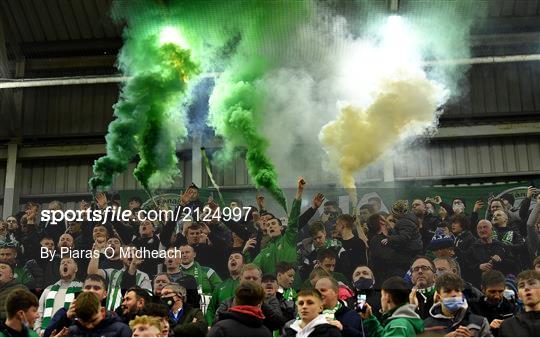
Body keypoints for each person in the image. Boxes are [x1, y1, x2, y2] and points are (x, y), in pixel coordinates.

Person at [252, 177, 304, 274]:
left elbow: (293, 219)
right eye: (268, 225)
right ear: (266, 231)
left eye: (273, 223)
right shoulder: (264, 251)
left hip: (293, 288)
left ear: (281, 227)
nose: (270, 226)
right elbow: (252, 269)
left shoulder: (288, 239)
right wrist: (244, 252)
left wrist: (299, 191)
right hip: (272, 288)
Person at [215, 264, 286, 331]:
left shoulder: (271, 300)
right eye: (247, 278)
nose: (251, 281)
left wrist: (261, 303)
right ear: (240, 279)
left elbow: (278, 323)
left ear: (260, 281)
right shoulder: (228, 302)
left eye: (254, 278)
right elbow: (216, 323)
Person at [423, 273, 492, 337]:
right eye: (448, 291)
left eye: (457, 290)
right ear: (438, 297)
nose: (454, 294)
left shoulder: (480, 322)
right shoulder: (426, 326)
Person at [43, 274, 109, 337]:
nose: (91, 291)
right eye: (88, 287)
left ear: (105, 294)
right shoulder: (64, 312)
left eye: (96, 288)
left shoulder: (110, 317)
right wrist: (66, 317)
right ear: (82, 291)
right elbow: (47, 335)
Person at [360, 276, 424, 337]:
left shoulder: (397, 326)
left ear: (387, 297)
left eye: (382, 295)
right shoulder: (405, 320)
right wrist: (370, 319)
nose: (381, 299)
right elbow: (385, 335)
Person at [34, 258, 83, 335]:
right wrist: (38, 331)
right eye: (62, 263)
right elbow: (38, 313)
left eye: (69, 262)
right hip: (46, 334)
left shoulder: (82, 288)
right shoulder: (48, 289)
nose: (65, 264)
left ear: (76, 268)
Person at [381, 200, 422, 275]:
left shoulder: (404, 222)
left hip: (407, 256)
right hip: (411, 254)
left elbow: (404, 237)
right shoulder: (409, 219)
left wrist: (389, 239)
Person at [469, 270, 515, 336]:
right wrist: (487, 328)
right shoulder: (472, 306)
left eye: (500, 291)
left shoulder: (511, 308)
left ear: (504, 289)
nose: (497, 296)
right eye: (492, 292)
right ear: (483, 289)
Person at [67, 291, 132, 336]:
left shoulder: (121, 331)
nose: (89, 326)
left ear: (102, 311)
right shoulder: (72, 331)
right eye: (84, 322)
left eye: (93, 320)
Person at [205, 251, 243, 325]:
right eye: (230, 258)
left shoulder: (247, 284)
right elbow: (210, 309)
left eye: (237, 257)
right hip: (222, 326)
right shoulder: (220, 286)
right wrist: (209, 325)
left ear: (244, 264)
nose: (233, 259)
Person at [499, 270, 540, 336]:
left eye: (531, 283)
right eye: (521, 286)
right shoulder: (507, 326)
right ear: (518, 295)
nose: (526, 288)